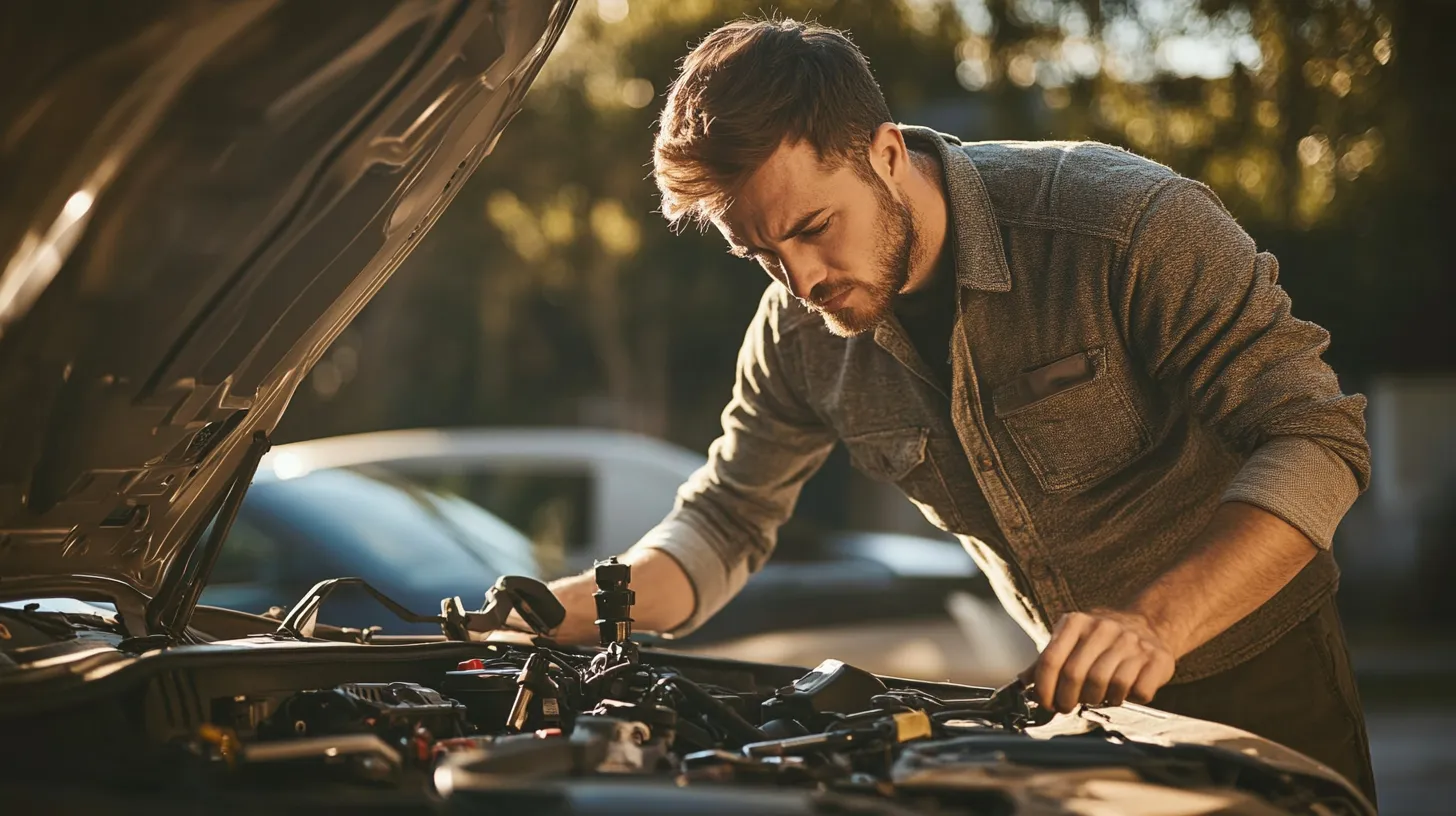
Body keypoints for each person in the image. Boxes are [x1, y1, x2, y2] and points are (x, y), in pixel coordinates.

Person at [524, 17, 1376, 803]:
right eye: (761, 253)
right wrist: (568, 608)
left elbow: (1316, 437)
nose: (804, 280)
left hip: (1262, 678)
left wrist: (1156, 621)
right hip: (1073, 714)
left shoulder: (1125, 227)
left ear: (887, 154)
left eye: (816, 226)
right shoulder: (797, 330)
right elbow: (725, 518)